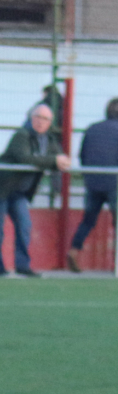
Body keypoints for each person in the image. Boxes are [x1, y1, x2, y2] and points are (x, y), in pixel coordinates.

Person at [0, 104, 71, 278]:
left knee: (25, 226)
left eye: (45, 119)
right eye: (37, 117)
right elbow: (25, 158)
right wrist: (54, 160)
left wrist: (62, 161)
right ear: (31, 118)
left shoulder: (50, 141)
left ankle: (22, 266)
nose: (40, 121)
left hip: (19, 193)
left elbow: (59, 159)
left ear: (50, 122)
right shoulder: (21, 136)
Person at [68, 98, 118, 272]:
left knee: (88, 220)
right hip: (115, 183)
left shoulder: (92, 129)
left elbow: (82, 155)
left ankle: (74, 250)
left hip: (92, 182)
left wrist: (88, 176)